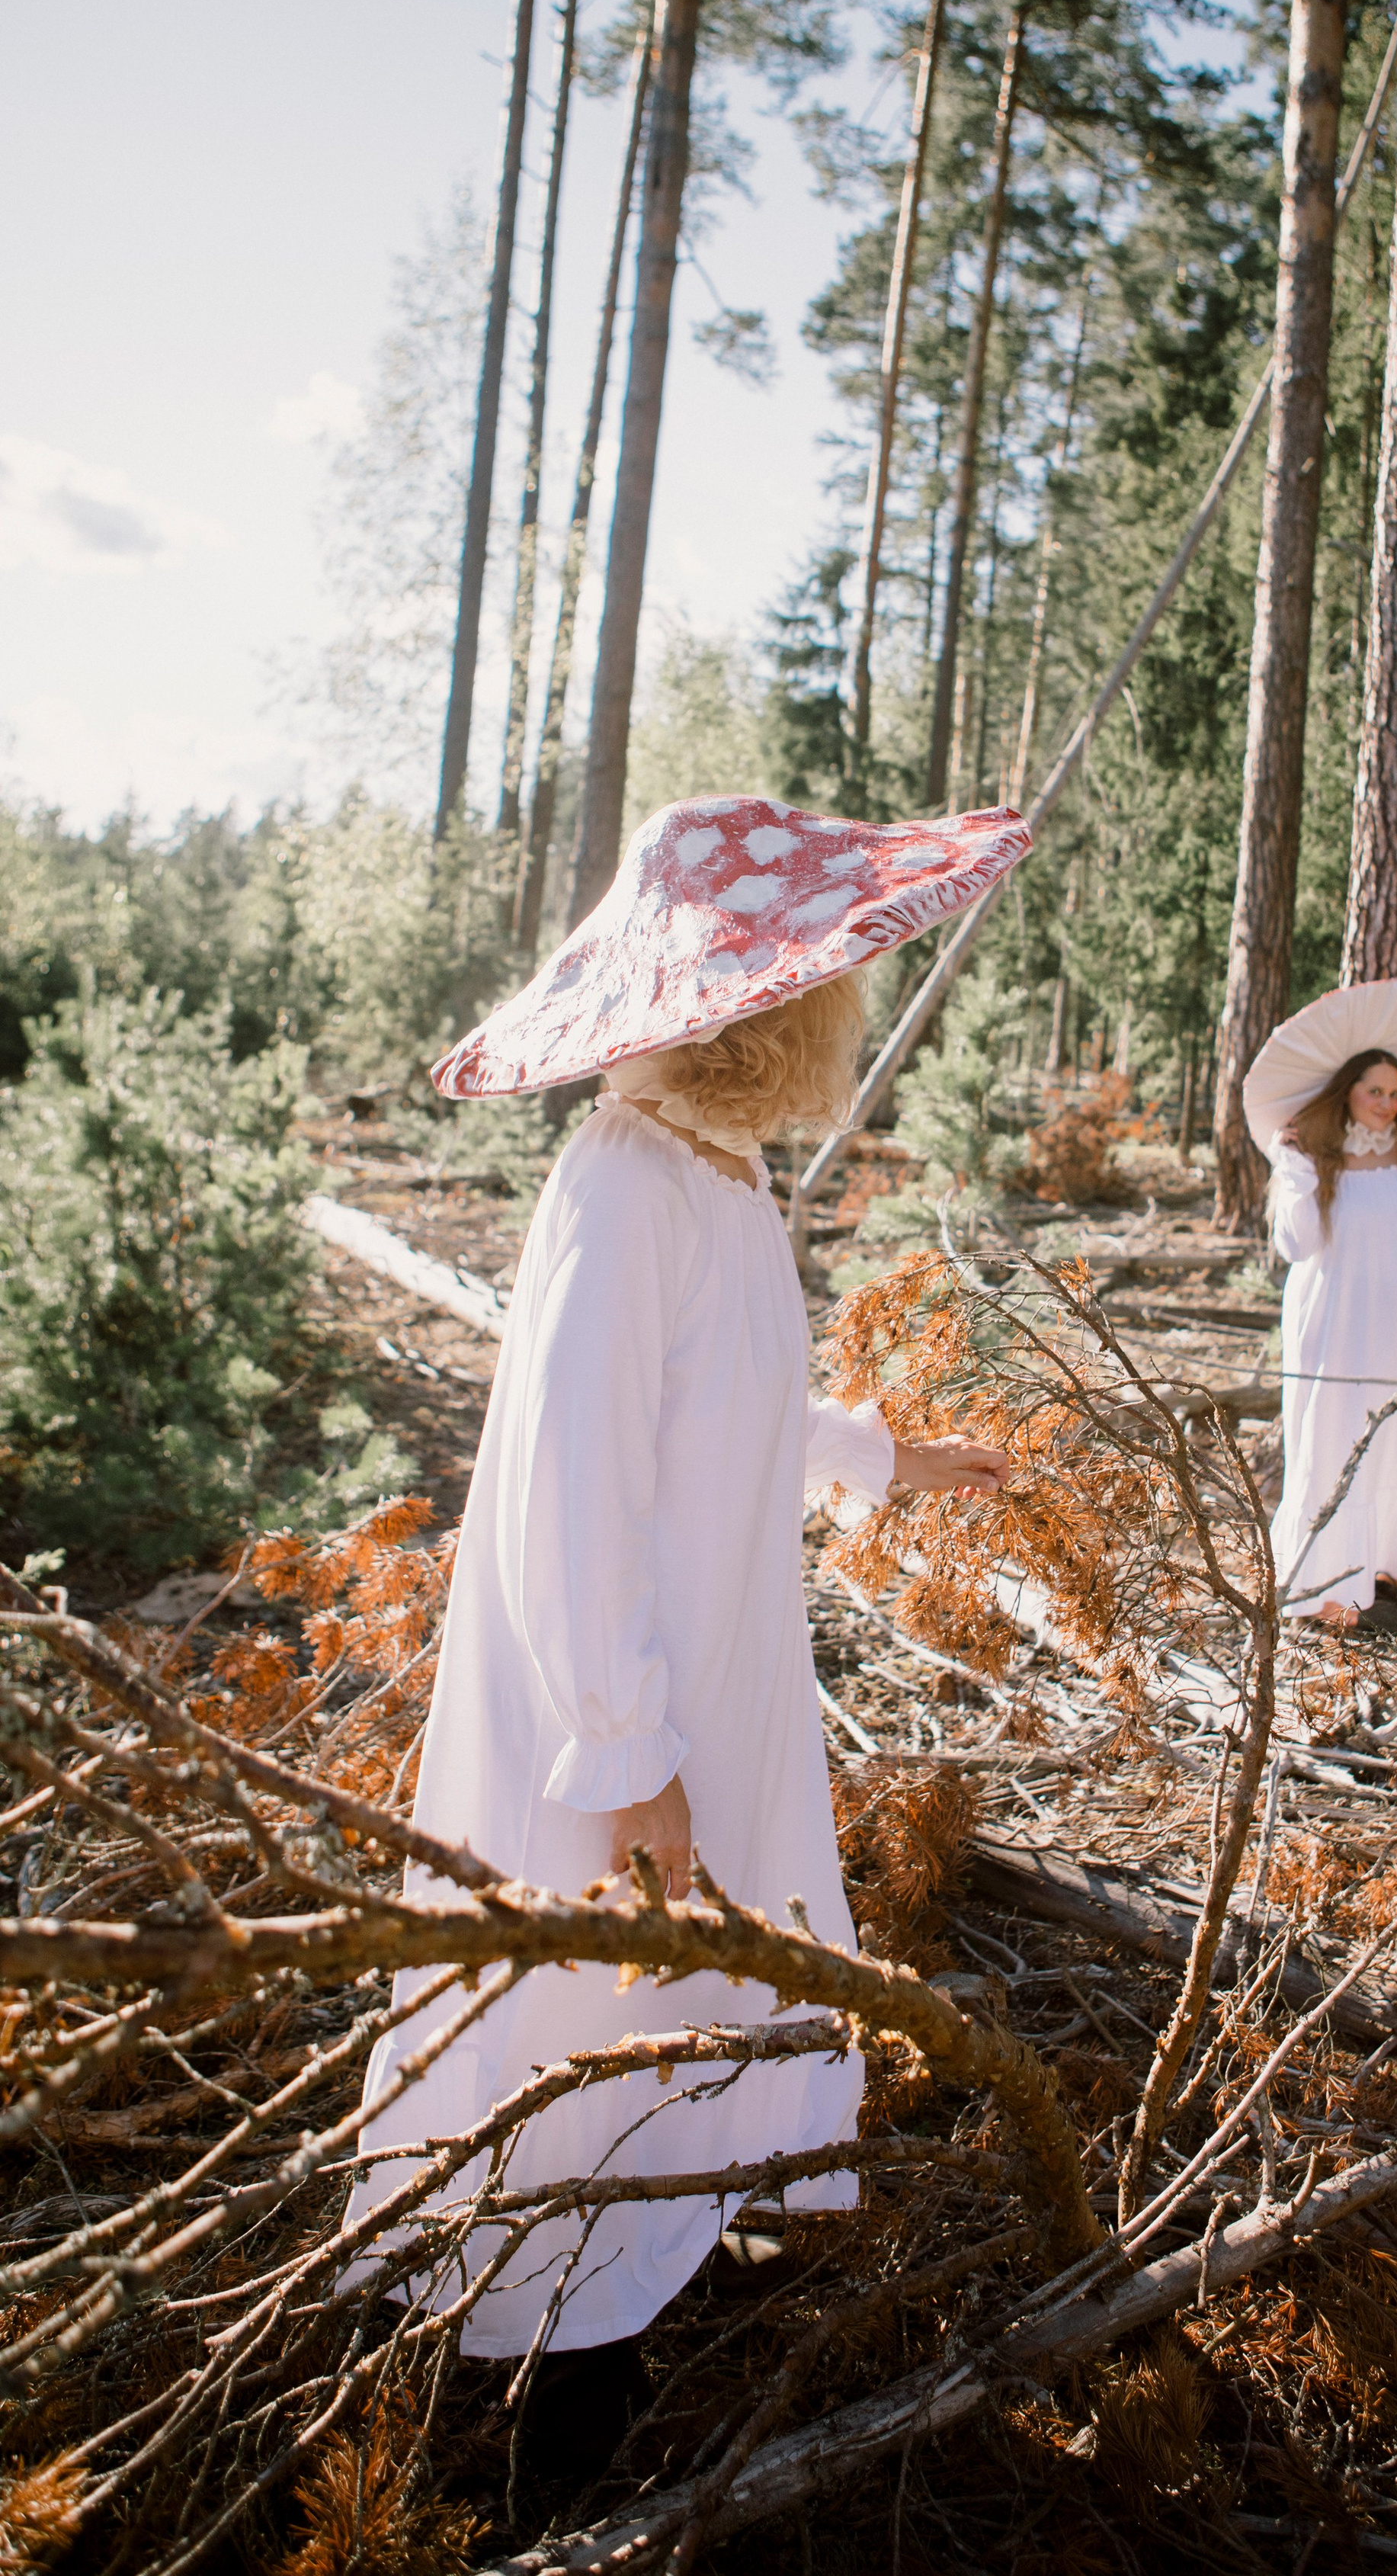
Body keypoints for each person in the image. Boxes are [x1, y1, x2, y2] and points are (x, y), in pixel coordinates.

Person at [348, 794, 1028, 2361]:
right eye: (822, 980)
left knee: (689, 2003)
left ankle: (655, 2260)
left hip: (705, 1661)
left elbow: (720, 1407)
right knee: (584, 2013)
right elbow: (574, 1489)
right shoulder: (622, 1184)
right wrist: (629, 1754)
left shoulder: (711, 1176)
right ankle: (534, 2360)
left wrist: (884, 1461)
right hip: (617, 1691)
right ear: (766, 1004)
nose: (844, 1008)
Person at [1242, 982, 1397, 1637]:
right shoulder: (1313, 1157)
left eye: (1396, 1094)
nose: (1387, 1104)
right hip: (1332, 1327)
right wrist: (1293, 1168)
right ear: (1348, 1089)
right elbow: (1298, 1244)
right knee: (1331, 1444)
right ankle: (1328, 1583)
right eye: (1375, 1090)